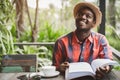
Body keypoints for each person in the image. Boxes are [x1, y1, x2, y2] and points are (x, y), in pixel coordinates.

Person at [52, 2, 113, 79]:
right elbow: (55, 67)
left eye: (88, 16)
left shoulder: (101, 40)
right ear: (76, 18)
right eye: (80, 14)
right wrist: (59, 68)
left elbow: (108, 61)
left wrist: (105, 68)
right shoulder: (61, 42)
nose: (83, 17)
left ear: (93, 23)